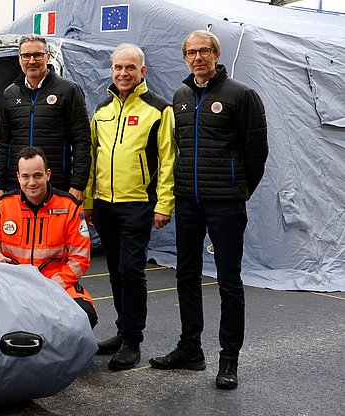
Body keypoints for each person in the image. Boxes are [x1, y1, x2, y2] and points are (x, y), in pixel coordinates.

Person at [149, 30, 268, 390]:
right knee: (186, 275)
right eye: (191, 52)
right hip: (188, 200)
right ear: (184, 58)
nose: (198, 57)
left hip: (225, 202)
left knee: (229, 280)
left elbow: (256, 152)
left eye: (204, 51)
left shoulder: (241, 95)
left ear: (217, 54)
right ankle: (190, 349)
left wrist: (238, 189)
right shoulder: (181, 96)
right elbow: (178, 148)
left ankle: (228, 358)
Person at [84, 44, 176, 370]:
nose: (123, 73)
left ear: (142, 72)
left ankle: (133, 340)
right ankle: (122, 331)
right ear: (111, 71)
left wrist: (164, 204)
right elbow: (93, 159)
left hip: (138, 204)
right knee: (113, 271)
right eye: (118, 68)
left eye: (130, 68)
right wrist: (88, 201)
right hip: (105, 204)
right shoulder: (101, 110)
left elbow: (168, 161)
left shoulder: (159, 110)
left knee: (132, 271)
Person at [0, 147, 97, 328]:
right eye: (26, 176)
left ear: (48, 174)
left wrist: (50, 286)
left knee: (85, 315)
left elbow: (80, 258)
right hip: (13, 286)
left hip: (57, 284)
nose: (31, 182)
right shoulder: (3, 206)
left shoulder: (69, 207)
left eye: (37, 176)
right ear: (18, 177)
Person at [0, 34, 91, 203]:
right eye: (26, 55)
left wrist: (78, 185)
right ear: (19, 59)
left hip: (57, 186)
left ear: (48, 56)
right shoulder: (9, 94)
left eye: (37, 55)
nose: (32, 61)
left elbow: (81, 141)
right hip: (17, 186)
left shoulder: (68, 90)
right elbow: (3, 143)